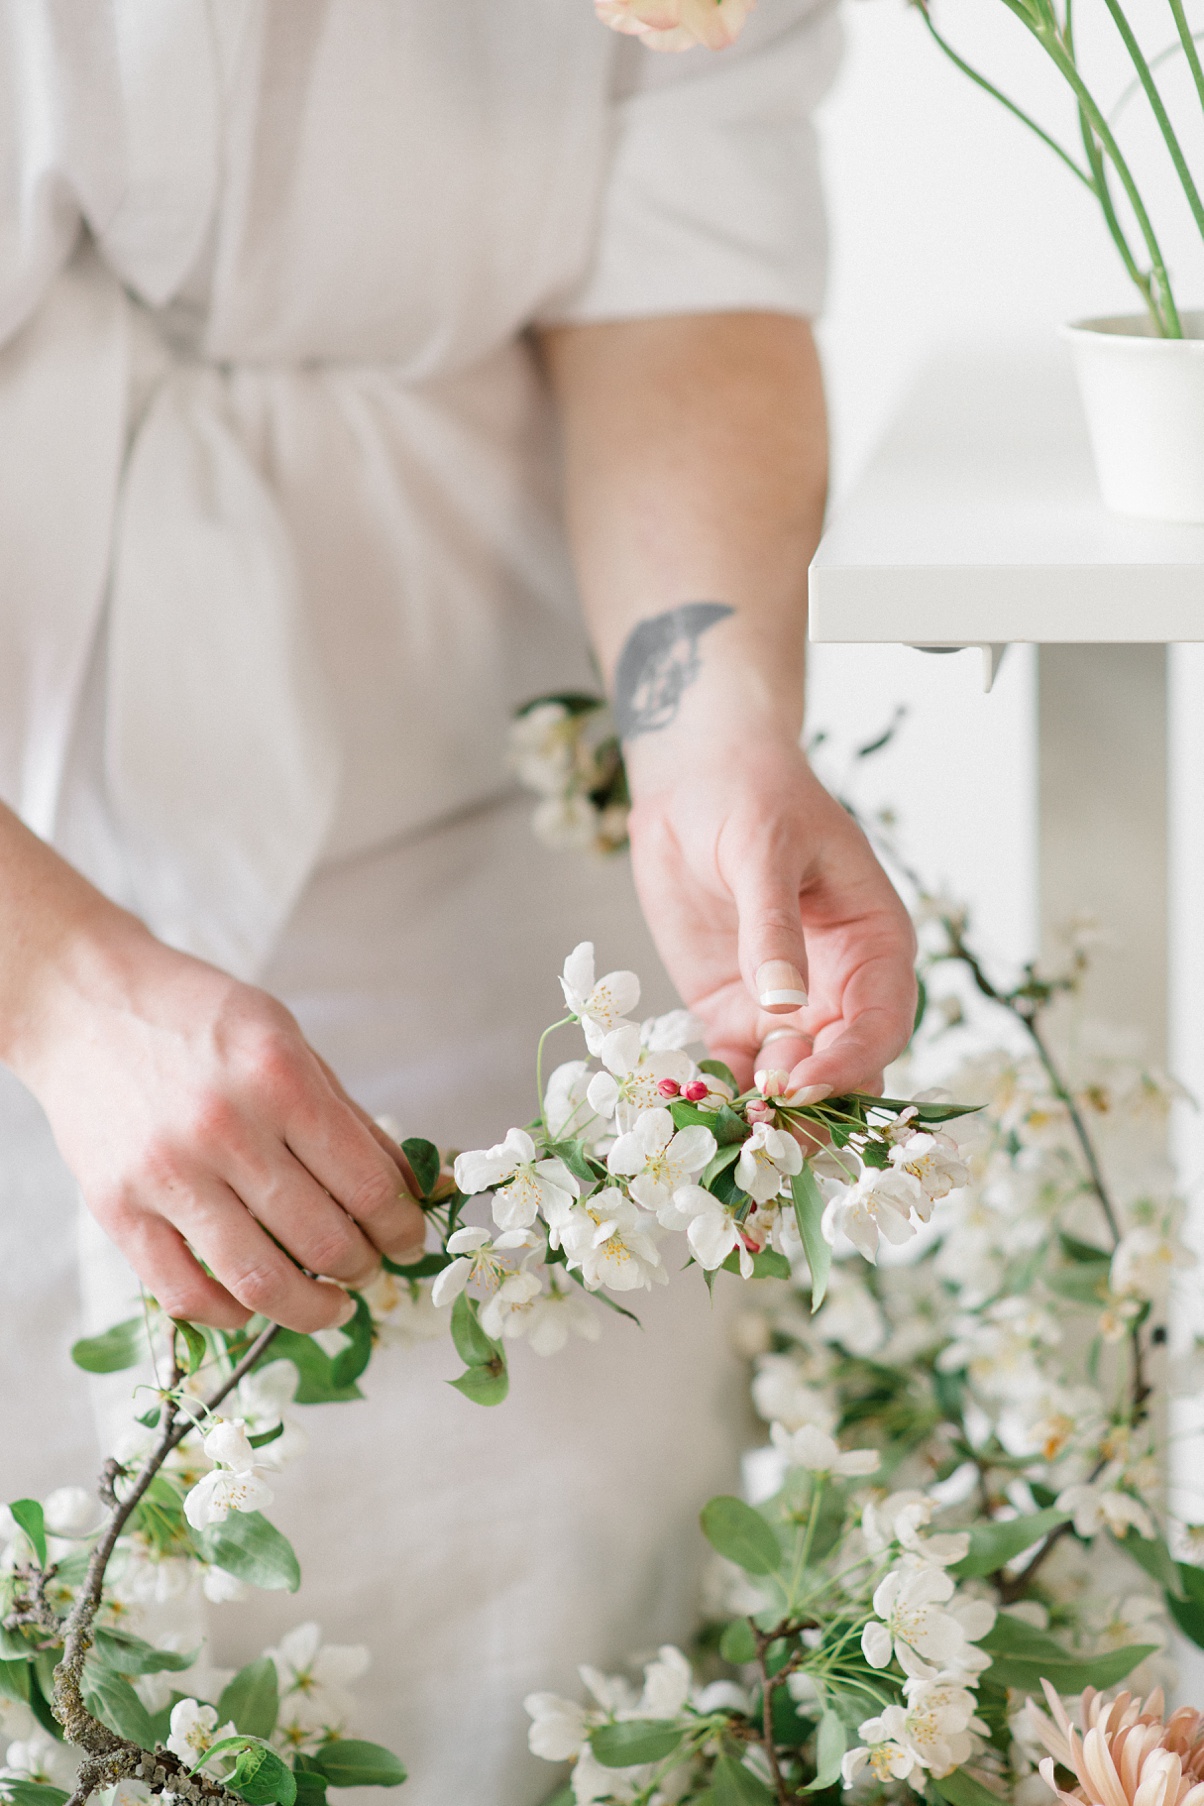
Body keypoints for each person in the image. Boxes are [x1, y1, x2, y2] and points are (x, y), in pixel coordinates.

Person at [0, 2, 916, 1799]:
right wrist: (63, 989)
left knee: (550, 1589)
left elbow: (683, 268)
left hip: (477, 744)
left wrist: (705, 729)